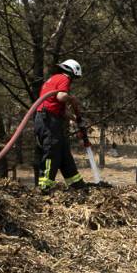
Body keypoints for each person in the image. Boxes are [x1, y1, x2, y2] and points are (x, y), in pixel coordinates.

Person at [34, 59, 87, 191]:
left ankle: (76, 184)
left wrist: (76, 119)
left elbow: (61, 109)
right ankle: (45, 186)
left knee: (63, 151)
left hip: (47, 119)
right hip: (48, 120)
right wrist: (72, 99)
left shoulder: (53, 79)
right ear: (72, 72)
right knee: (52, 150)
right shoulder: (64, 78)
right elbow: (61, 97)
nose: (73, 80)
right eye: (74, 77)